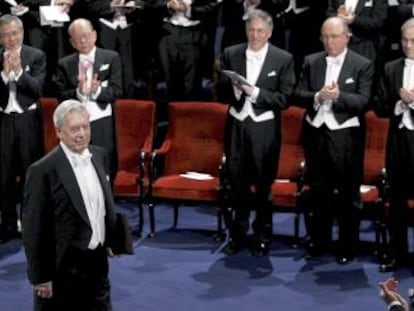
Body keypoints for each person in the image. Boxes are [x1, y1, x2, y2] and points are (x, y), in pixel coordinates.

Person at [22, 99, 118, 311]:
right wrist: (40, 277)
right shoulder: (42, 170)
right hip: (62, 270)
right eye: (75, 128)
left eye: (86, 126)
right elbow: (33, 229)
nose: (82, 133)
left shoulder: (99, 156)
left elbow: (102, 205)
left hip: (98, 264)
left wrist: (113, 237)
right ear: (59, 132)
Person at [293, 16, 373, 264]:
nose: (329, 41)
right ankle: (319, 242)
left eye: (334, 36)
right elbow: (297, 93)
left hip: (346, 137)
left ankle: (348, 246)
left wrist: (339, 96)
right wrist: (317, 96)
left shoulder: (362, 64)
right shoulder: (311, 61)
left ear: (347, 37)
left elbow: (364, 101)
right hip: (316, 134)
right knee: (318, 192)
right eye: (325, 37)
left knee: (348, 194)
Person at [217, 9, 295, 257]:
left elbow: (284, 99)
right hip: (237, 125)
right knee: (236, 185)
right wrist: (237, 92)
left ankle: (263, 237)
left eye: (260, 30)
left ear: (270, 32)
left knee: (263, 186)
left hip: (264, 128)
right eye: (251, 30)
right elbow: (220, 93)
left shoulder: (283, 59)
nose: (255, 35)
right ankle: (237, 235)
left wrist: (254, 93)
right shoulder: (231, 53)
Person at [55, 18, 122, 183]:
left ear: (94, 35)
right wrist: (78, 92)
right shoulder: (65, 64)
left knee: (104, 166)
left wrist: (97, 91)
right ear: (72, 42)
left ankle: (106, 206)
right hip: (75, 124)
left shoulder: (111, 57)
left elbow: (117, 90)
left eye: (85, 35)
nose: (83, 41)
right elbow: (61, 95)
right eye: (78, 38)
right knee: (80, 167)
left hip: (102, 120)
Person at [0, 14, 46, 243]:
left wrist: (18, 73)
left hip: (28, 123)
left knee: (31, 175)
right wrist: (3, 73)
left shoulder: (36, 56)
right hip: (4, 122)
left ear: (22, 33)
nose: (10, 39)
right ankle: (7, 226)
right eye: (5, 35)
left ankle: (32, 225)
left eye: (14, 33)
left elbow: (37, 88)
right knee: (5, 177)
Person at [375, 17, 414, 272]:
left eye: (413, 41)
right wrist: (400, 104)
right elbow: (379, 106)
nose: (409, 45)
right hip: (398, 142)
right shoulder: (390, 68)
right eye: (405, 40)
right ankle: (397, 253)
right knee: (396, 202)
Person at [152, 0, 219, 101]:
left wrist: (189, 10)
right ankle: (169, 113)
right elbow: (151, 4)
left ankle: (189, 113)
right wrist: (168, 5)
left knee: (192, 83)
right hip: (167, 32)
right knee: (170, 81)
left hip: (194, 34)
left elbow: (213, 5)